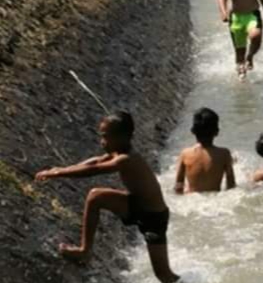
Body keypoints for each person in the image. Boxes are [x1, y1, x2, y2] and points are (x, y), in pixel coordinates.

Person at [35, 112, 180, 283]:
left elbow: (94, 170)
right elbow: (95, 162)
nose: (102, 141)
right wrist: (61, 168)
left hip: (154, 218)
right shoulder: (118, 151)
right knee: (95, 196)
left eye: (105, 136)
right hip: (135, 205)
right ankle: (85, 251)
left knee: (163, 275)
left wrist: (58, 173)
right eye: (101, 136)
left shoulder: (127, 159)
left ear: (122, 137)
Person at [174, 108, 236, 194]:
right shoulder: (224, 154)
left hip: (191, 199)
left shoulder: (185, 154)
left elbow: (178, 185)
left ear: (193, 131)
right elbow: (231, 186)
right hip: (215, 199)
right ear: (217, 132)